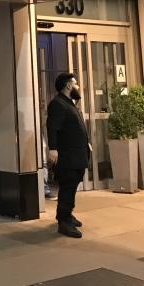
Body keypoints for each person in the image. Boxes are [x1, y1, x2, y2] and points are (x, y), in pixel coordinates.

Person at [47, 72, 91, 238]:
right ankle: (63, 221)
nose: (78, 86)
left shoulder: (70, 103)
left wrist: (86, 142)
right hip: (67, 156)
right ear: (68, 85)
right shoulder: (57, 104)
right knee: (67, 187)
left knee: (72, 186)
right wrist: (53, 148)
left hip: (77, 154)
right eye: (76, 83)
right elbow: (52, 127)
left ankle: (67, 214)